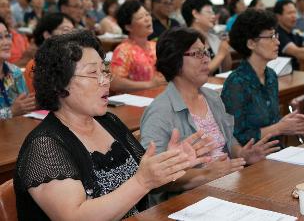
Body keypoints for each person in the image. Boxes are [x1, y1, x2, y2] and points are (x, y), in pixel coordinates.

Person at [14, 30, 214, 220]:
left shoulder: (109, 121)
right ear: (59, 84)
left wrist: (170, 162)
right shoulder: (43, 146)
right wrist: (142, 182)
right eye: (93, 73)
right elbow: (75, 217)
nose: (104, 81)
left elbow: (147, 179)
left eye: (105, 71)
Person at [140, 27, 281, 205]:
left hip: (228, 185)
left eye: (206, 52)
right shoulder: (160, 112)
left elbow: (229, 142)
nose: (207, 59)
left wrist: (243, 154)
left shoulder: (212, 97)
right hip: (187, 201)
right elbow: (153, 178)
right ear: (174, 59)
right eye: (198, 54)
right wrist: (205, 174)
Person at [221, 9, 304, 146]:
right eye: (271, 37)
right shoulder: (236, 83)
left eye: (276, 35)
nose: (277, 42)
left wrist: (287, 123)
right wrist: (279, 128)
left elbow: (270, 123)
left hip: (274, 152)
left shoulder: (270, 75)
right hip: (251, 160)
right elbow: (235, 137)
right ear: (251, 43)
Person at [110, 0, 166, 93]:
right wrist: (150, 84)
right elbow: (115, 83)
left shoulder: (156, 46)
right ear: (128, 27)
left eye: (147, 14)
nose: (147, 19)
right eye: (140, 17)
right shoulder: (123, 50)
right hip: (134, 103)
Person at [24, 12, 75, 92]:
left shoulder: (75, 60)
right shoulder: (35, 65)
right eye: (66, 30)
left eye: (73, 30)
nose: (72, 35)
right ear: (47, 35)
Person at [181, 0, 232, 74]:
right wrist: (221, 54)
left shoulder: (214, 38)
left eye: (213, 12)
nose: (213, 16)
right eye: (209, 12)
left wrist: (225, 51)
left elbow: (226, 70)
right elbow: (198, 74)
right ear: (195, 14)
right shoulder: (185, 40)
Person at [0, 16, 35, 119]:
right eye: (0, 38)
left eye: (7, 36)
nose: (6, 42)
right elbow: (16, 110)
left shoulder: (15, 72)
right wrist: (11, 112)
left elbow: (26, 108)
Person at [274, 0, 304, 70]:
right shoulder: (277, 34)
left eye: (295, 12)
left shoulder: (293, 33)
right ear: (278, 16)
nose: (294, 16)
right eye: (290, 13)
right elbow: (298, 52)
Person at [0, 0, 34, 66]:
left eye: (8, 6)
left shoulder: (18, 35)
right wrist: (24, 60)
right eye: (2, 6)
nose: (8, 10)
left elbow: (30, 56)